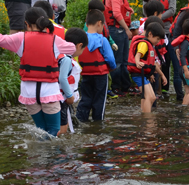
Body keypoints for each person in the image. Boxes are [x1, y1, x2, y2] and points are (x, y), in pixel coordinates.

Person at [0, 7, 75, 137]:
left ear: (26, 24)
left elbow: (1, 40)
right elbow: (72, 48)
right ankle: (51, 156)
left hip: (29, 92)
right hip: (49, 91)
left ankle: (40, 154)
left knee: (40, 130)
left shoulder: (20, 38)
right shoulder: (54, 40)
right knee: (53, 130)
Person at [77, 9, 116, 122]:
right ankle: (98, 125)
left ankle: (80, 120)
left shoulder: (81, 40)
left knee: (85, 99)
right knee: (99, 101)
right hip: (100, 75)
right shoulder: (103, 40)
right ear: (99, 23)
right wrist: (111, 68)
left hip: (85, 75)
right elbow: (110, 59)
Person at [127, 22, 167, 113]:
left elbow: (153, 64)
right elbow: (138, 55)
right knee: (148, 97)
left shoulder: (150, 45)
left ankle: (144, 114)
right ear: (150, 34)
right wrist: (137, 62)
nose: (158, 41)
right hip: (138, 74)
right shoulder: (144, 44)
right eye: (157, 39)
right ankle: (147, 119)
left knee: (152, 97)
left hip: (143, 74)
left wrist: (161, 75)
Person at [57, 27, 87, 136]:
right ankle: (59, 149)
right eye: (82, 49)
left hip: (55, 97)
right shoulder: (67, 60)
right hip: (62, 99)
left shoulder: (59, 55)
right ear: (79, 46)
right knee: (62, 127)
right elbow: (62, 79)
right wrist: (70, 96)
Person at [105, 0, 134, 96]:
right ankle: (116, 87)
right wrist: (127, 29)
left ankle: (125, 86)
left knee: (124, 60)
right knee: (118, 61)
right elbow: (116, 14)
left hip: (121, 30)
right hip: (116, 30)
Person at [171, 18, 189, 105]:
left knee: (188, 92)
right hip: (186, 69)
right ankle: (184, 106)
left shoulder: (188, 42)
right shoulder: (186, 43)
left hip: (185, 69)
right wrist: (186, 70)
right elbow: (182, 56)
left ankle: (186, 111)